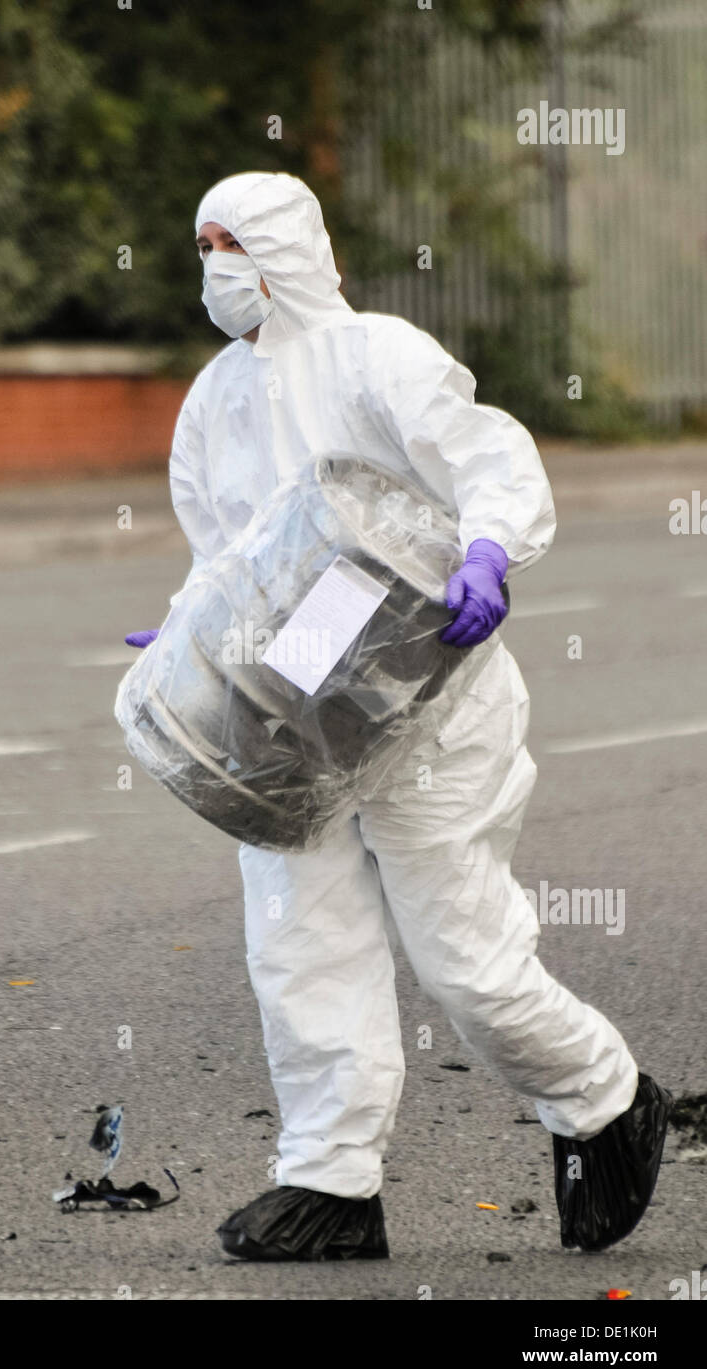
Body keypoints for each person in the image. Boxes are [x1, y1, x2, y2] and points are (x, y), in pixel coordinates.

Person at [127, 171, 670, 1261]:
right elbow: (221, 554)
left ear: (280, 247)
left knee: (464, 961)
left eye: (230, 242)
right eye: (201, 245)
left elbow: (484, 454)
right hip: (287, 716)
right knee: (299, 943)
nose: (214, 266)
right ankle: (328, 1182)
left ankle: (601, 1098)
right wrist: (190, 638)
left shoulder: (379, 355)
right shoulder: (214, 401)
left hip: (428, 699)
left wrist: (487, 547)